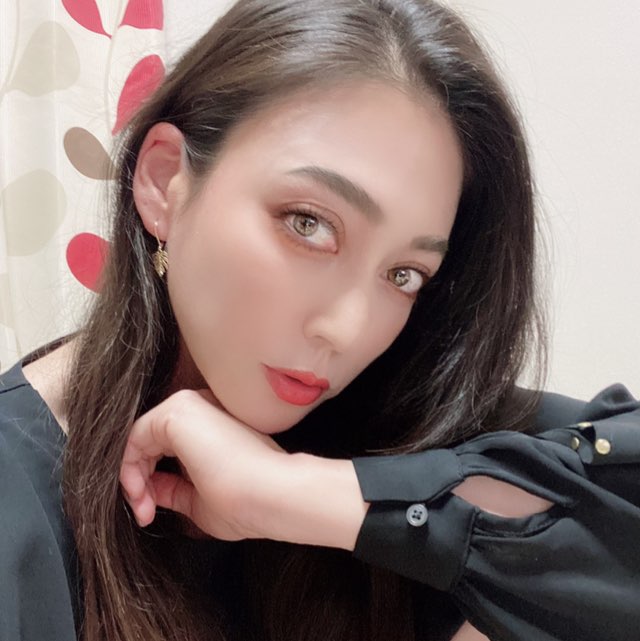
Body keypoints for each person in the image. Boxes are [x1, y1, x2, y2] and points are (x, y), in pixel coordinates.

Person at [1, 0, 638, 640]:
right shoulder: (17, 497)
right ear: (165, 181)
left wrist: (301, 495)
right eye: (309, 224)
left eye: (404, 275)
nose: (349, 330)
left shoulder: (401, 435)